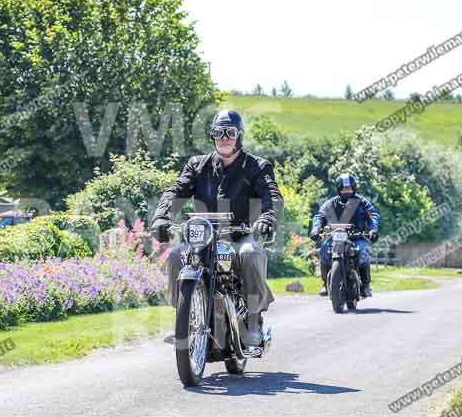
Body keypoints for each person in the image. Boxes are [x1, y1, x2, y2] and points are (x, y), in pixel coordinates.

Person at [149, 110, 283, 347]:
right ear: (212, 136)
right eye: (219, 133)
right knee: (176, 257)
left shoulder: (257, 167)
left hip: (240, 234)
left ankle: (252, 320)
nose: (224, 138)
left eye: (230, 132)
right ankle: (184, 318)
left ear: (239, 136)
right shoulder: (196, 165)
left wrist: (267, 219)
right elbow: (174, 192)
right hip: (203, 236)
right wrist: (161, 218)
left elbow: (271, 196)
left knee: (250, 254)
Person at [309, 173, 380, 297]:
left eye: (349, 188)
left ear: (354, 188)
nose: (346, 191)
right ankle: (326, 284)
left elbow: (373, 215)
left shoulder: (362, 202)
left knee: (363, 252)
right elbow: (319, 216)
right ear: (338, 189)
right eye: (343, 188)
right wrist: (316, 229)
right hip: (336, 236)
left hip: (357, 237)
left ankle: (365, 285)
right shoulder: (331, 203)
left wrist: (373, 229)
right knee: (324, 251)